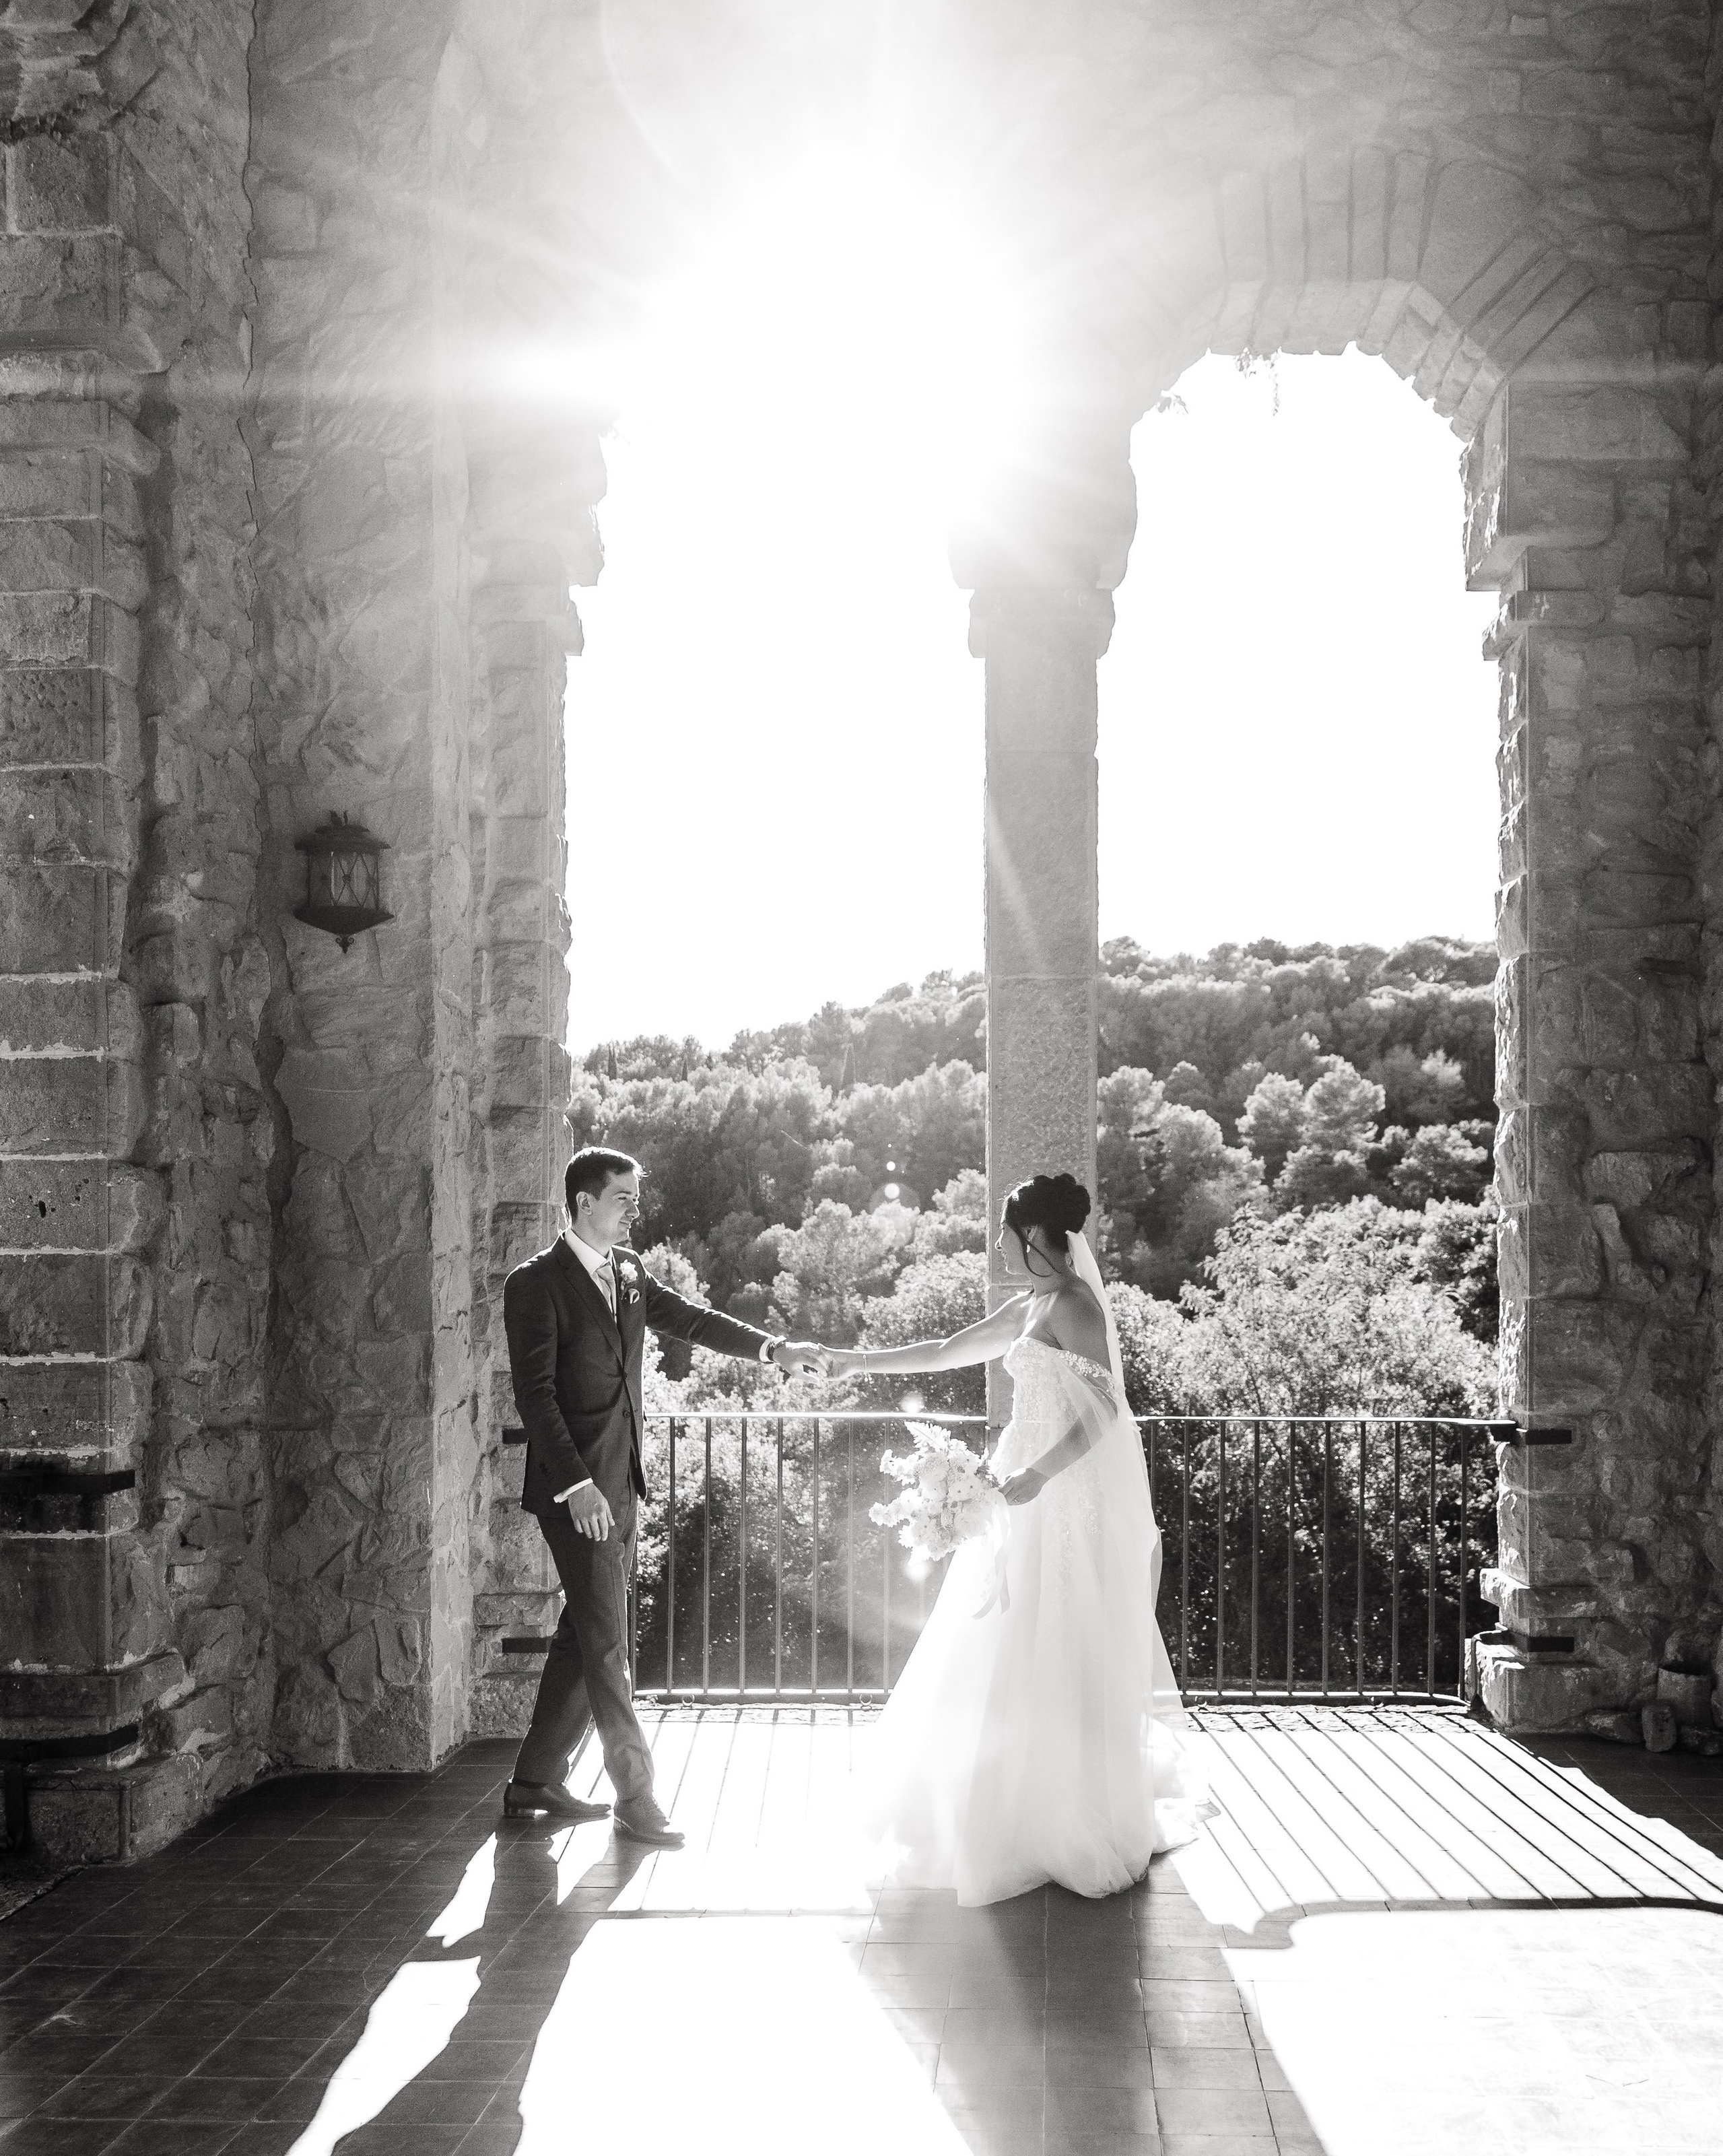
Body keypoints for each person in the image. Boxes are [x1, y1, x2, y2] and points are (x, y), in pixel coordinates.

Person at [825, 1172, 1205, 1905]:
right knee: (994, 1635)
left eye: (1003, 1231)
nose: (997, 1244)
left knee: (1054, 1634)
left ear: (1031, 1233)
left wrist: (1040, 1472)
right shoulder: (1031, 1303)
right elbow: (947, 1348)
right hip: (1014, 1491)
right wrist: (855, 1362)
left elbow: (1106, 1411)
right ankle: (992, 1803)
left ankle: (1063, 1810)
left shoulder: (1077, 1305)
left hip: (1059, 1496)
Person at [502, 1145, 827, 1843]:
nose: (634, 1209)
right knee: (607, 1646)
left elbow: (695, 1320)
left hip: (623, 1483)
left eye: (636, 1198)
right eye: (623, 1197)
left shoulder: (629, 1270)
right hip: (578, 1492)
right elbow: (535, 1395)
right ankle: (636, 1794)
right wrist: (578, 1485)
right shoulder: (535, 1283)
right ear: (584, 1202)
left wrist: (776, 1350)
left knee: (586, 1634)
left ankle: (533, 1780)